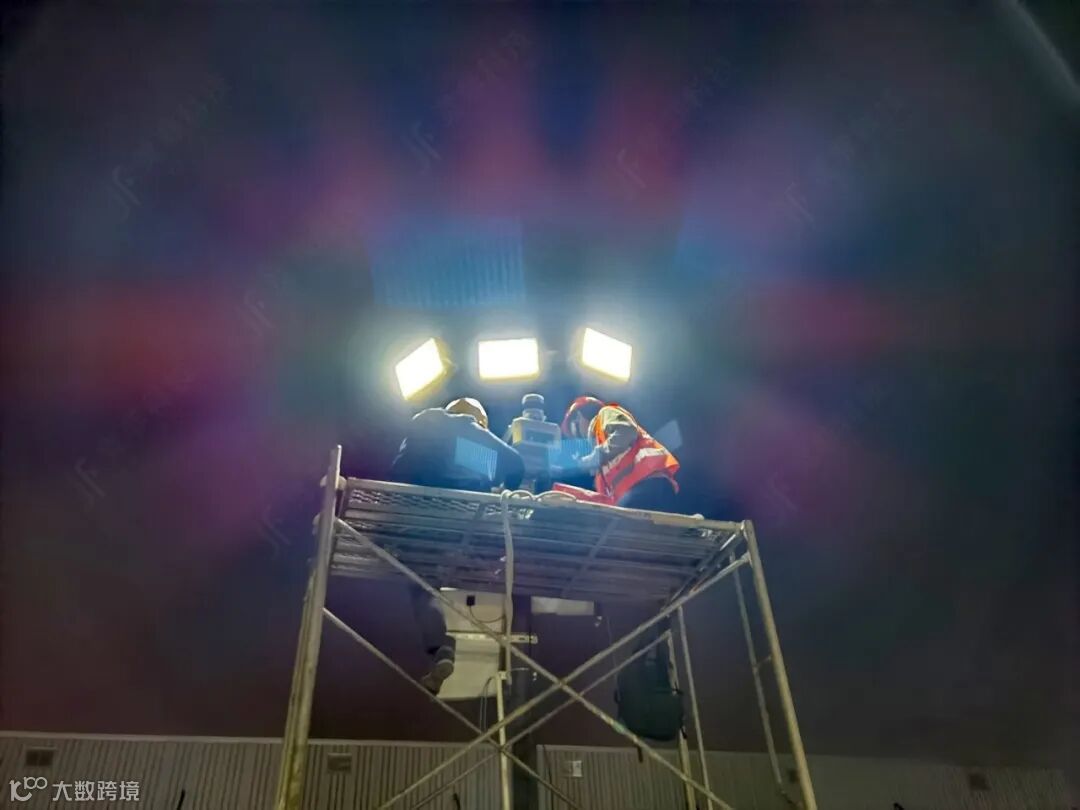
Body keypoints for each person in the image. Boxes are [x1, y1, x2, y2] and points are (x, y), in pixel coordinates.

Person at [389, 397, 525, 694]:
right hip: (462, 524)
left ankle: (440, 647)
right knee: (509, 538)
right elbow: (514, 464)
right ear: (476, 419)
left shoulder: (421, 426)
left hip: (419, 528)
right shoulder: (467, 430)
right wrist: (508, 488)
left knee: (422, 585)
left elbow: (399, 472)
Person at [560, 396, 680, 512]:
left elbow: (626, 432)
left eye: (575, 431)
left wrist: (592, 458)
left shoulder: (605, 413)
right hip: (647, 488)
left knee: (620, 519)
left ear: (579, 416)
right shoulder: (602, 453)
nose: (578, 437)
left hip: (646, 483)